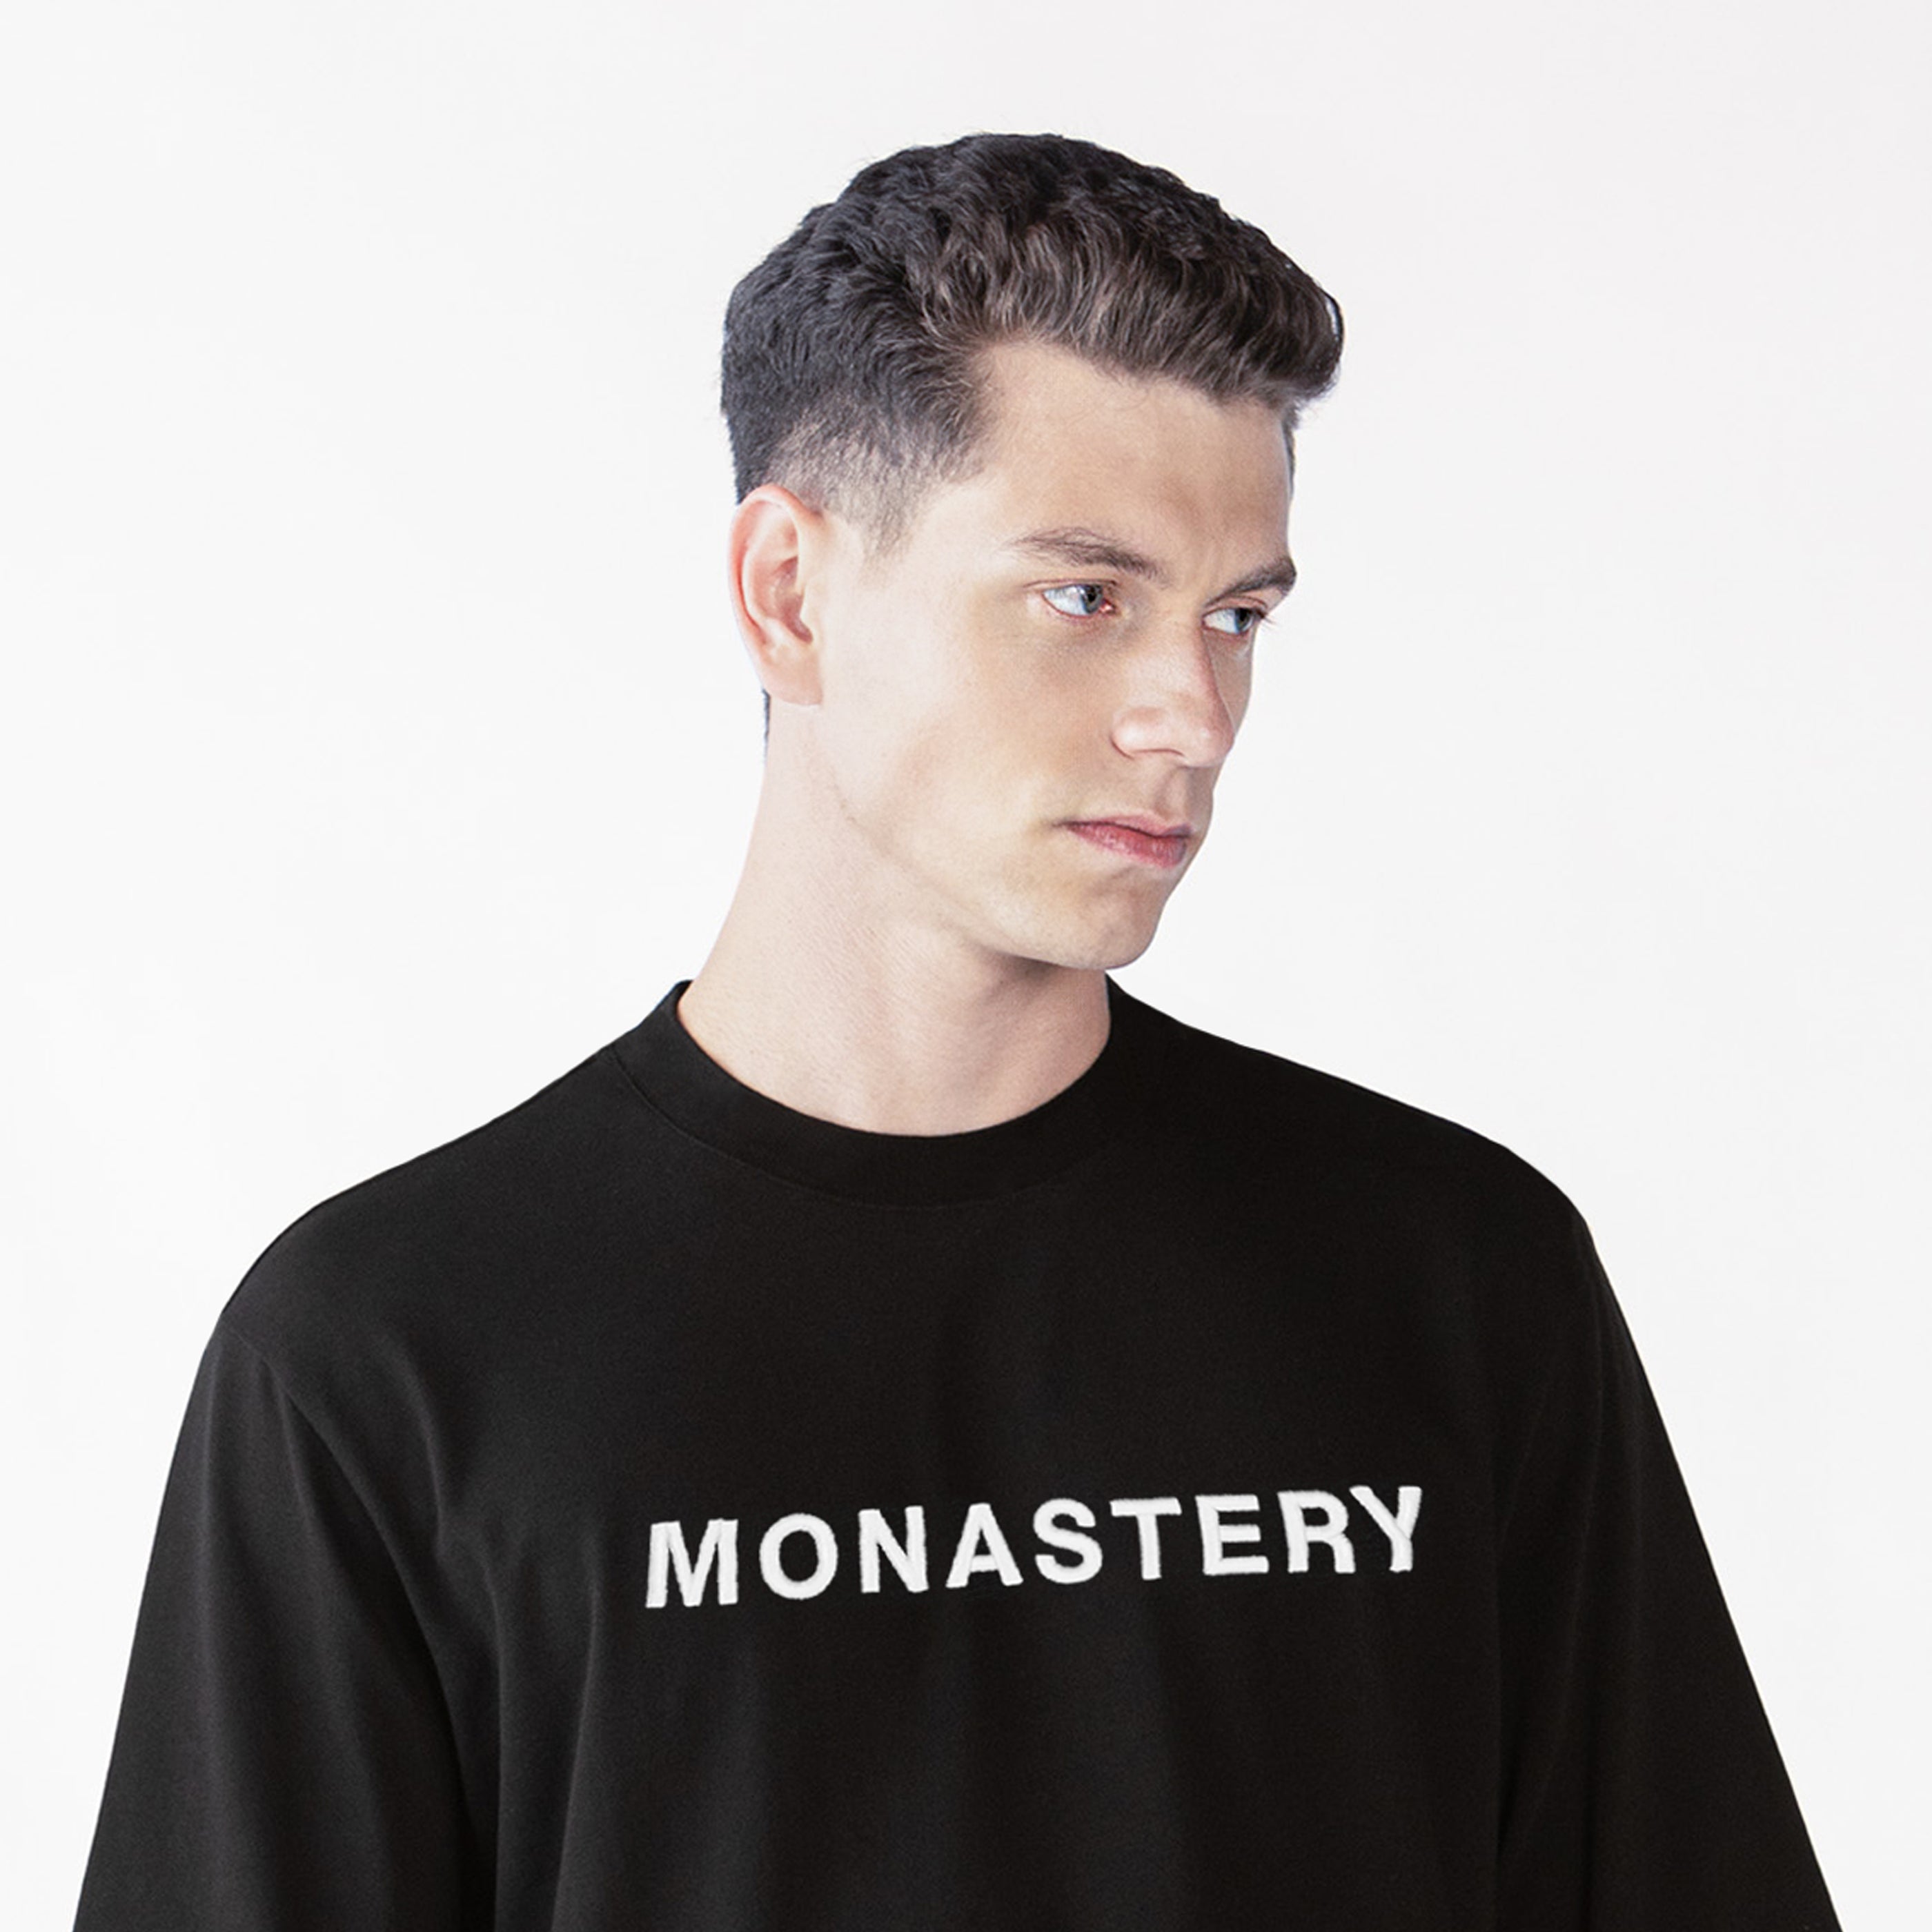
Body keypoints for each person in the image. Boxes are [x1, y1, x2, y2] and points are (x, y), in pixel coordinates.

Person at [74, 132, 1840, 1930]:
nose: (1191, 713)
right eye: (1086, 598)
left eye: (1236, 615)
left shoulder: (1452, 1278)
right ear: (790, 594)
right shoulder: (392, 1355)